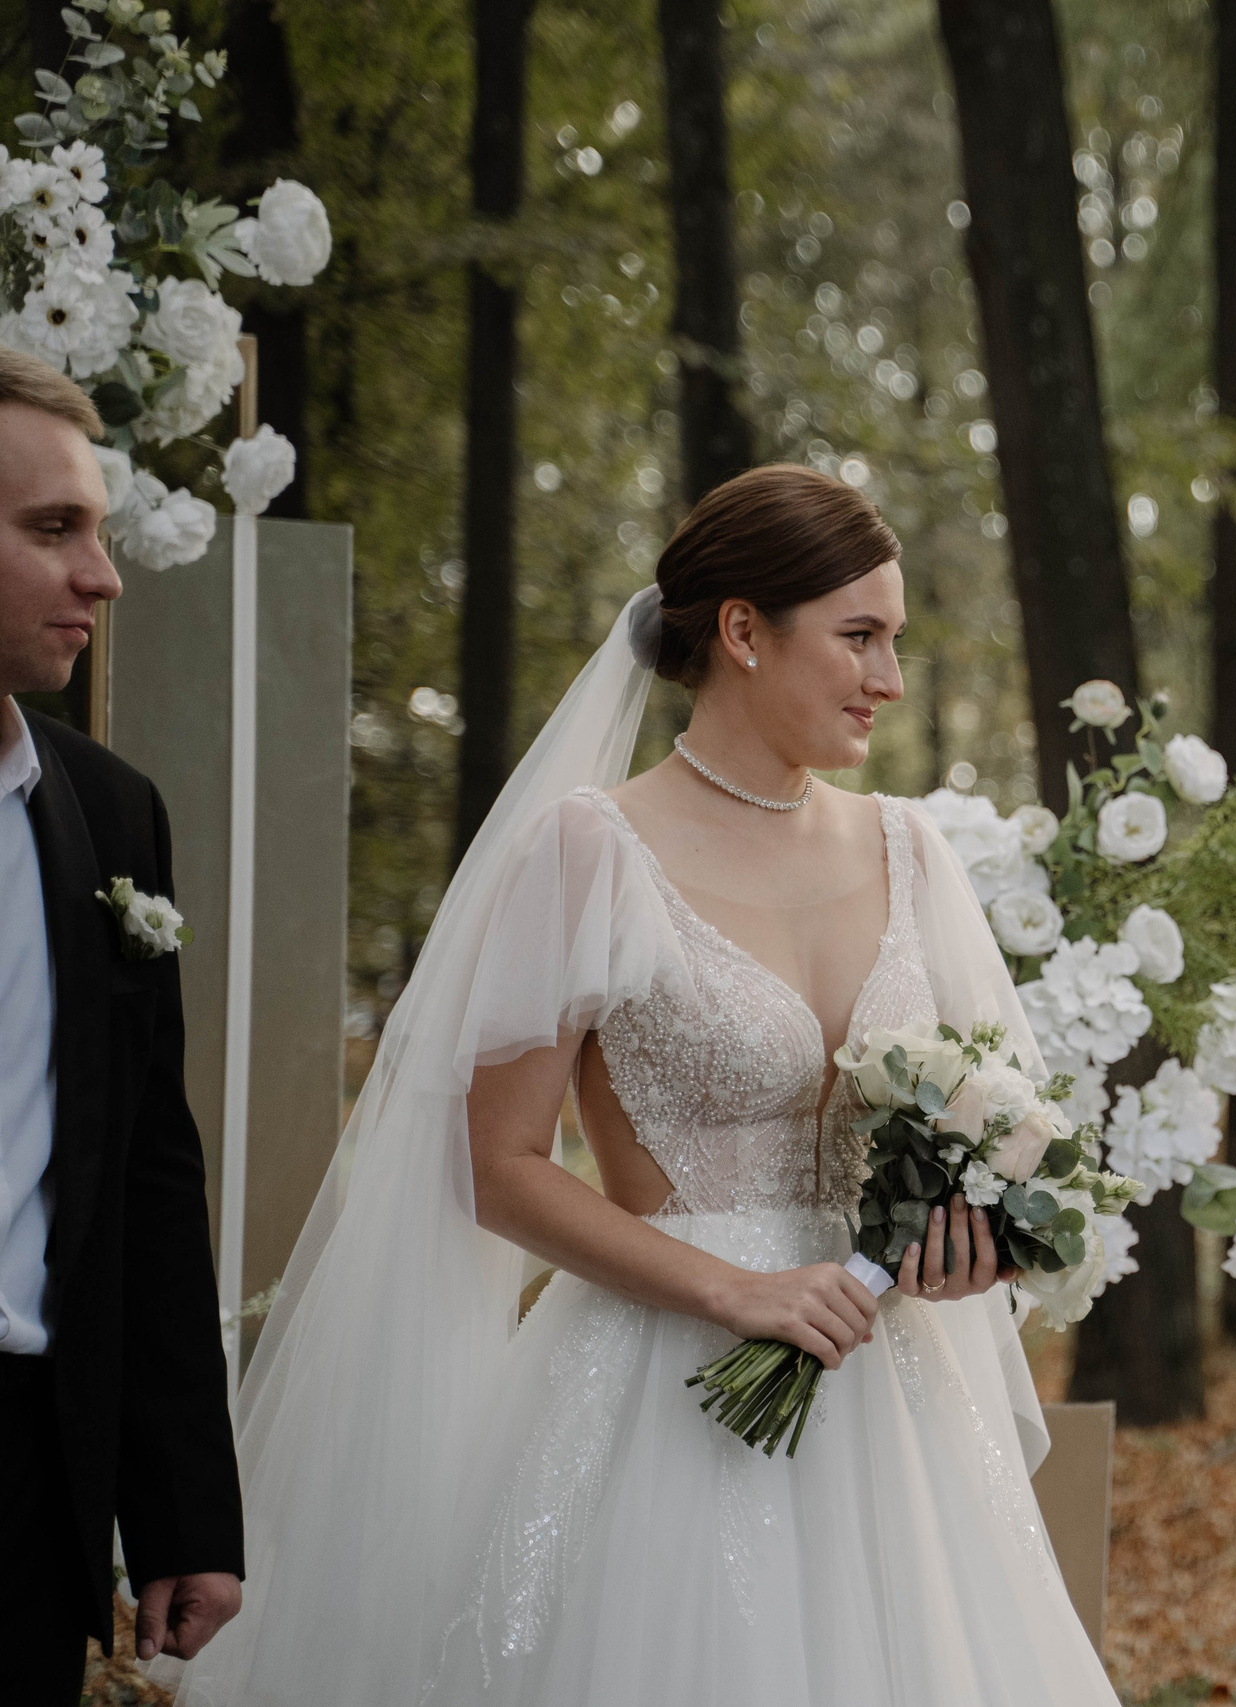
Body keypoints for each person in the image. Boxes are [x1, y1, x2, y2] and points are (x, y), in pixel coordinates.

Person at [179, 465, 1117, 1703]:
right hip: (665, 1384)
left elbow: (994, 1123)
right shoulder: (588, 852)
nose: (888, 677)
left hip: (895, 1391)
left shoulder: (913, 850)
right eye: (859, 637)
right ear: (740, 631)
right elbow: (497, 1167)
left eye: (894, 640)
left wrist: (969, 1240)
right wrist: (733, 1290)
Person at [0, 350, 245, 1698]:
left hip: (34, 1484)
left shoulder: (109, 812)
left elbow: (150, 1168)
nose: (104, 574)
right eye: (53, 530)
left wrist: (181, 1507)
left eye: (96, 527)